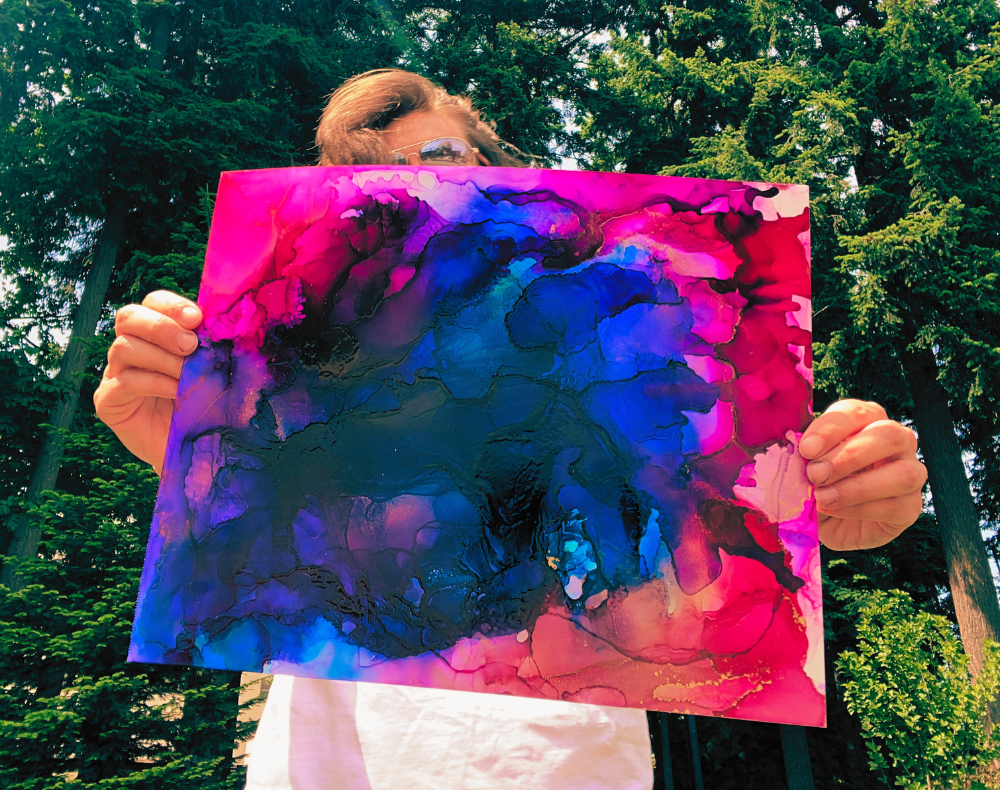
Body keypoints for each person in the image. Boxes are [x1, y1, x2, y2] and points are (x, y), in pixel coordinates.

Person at [95, 69, 927, 790]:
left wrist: (835, 491)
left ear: (503, 177)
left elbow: (724, 512)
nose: (418, 191)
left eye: (440, 157)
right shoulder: (299, 387)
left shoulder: (615, 346)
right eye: (374, 183)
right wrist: (184, 448)